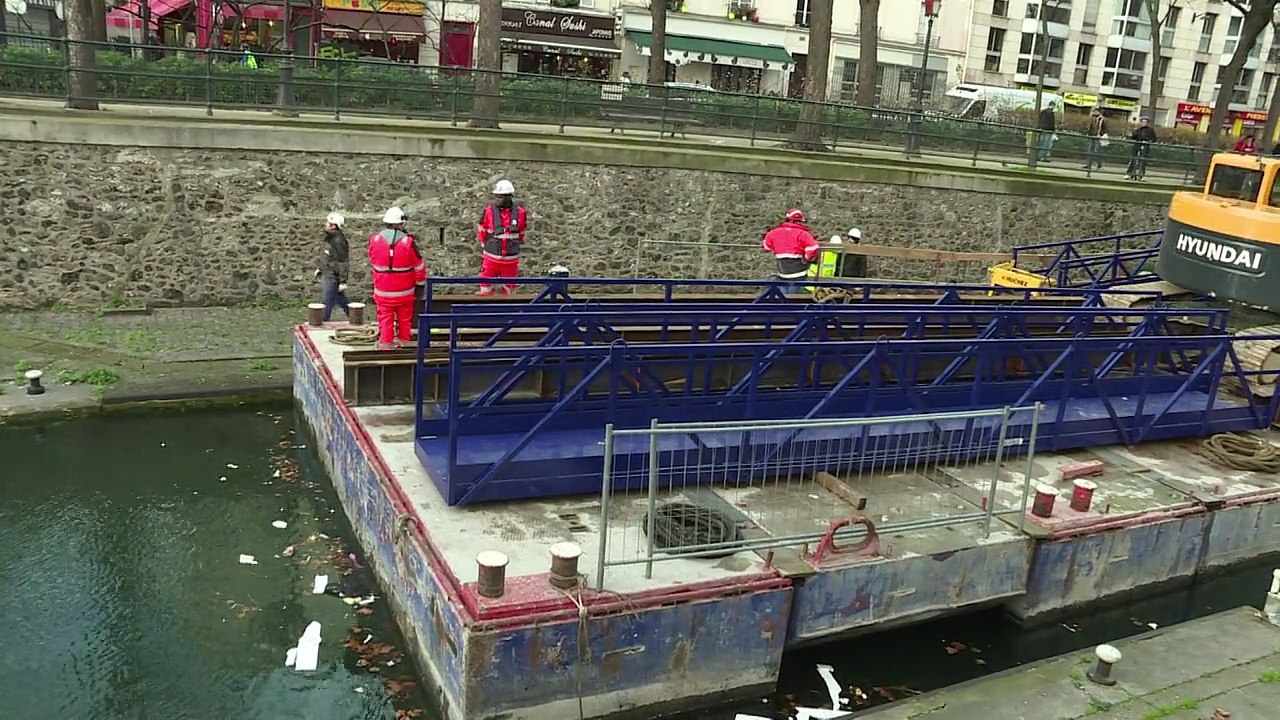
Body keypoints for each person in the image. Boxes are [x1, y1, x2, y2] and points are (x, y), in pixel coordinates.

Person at [368, 206, 426, 351]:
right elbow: (419, 266)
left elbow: (372, 258)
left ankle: (386, 347)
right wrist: (420, 285)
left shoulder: (375, 239)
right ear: (401, 224)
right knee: (404, 319)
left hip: (382, 289)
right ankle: (404, 344)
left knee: (385, 318)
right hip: (405, 290)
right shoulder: (408, 242)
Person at [475, 179, 528, 296]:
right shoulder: (488, 211)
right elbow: (481, 228)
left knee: (509, 290)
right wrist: (485, 244)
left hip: (511, 259)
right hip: (491, 257)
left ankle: (508, 312)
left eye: (500, 197)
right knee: (485, 287)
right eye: (496, 197)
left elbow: (522, 232)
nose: (497, 200)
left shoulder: (520, 212)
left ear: (509, 197)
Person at [763, 208, 819, 294]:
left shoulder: (774, 233)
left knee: (782, 298)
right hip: (799, 274)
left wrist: (778, 248)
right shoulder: (803, 234)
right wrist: (807, 258)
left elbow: (766, 246)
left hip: (782, 273)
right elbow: (813, 248)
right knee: (793, 298)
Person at [316, 212, 350, 322]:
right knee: (340, 298)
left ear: (334, 226)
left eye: (328, 223)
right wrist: (320, 269)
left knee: (328, 300)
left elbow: (343, 261)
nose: (325, 225)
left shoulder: (339, 241)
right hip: (329, 272)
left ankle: (323, 320)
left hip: (333, 275)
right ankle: (355, 316)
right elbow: (327, 256)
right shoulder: (329, 239)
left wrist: (343, 281)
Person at [1126, 116, 1157, 181]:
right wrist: (1131, 135)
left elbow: (1154, 139)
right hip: (1137, 146)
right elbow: (1134, 136)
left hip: (1144, 147)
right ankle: (1130, 174)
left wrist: (1147, 141)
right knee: (1133, 160)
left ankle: (1140, 175)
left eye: (1145, 122)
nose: (1144, 123)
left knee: (1142, 161)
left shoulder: (1150, 130)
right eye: (1142, 121)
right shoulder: (1138, 130)